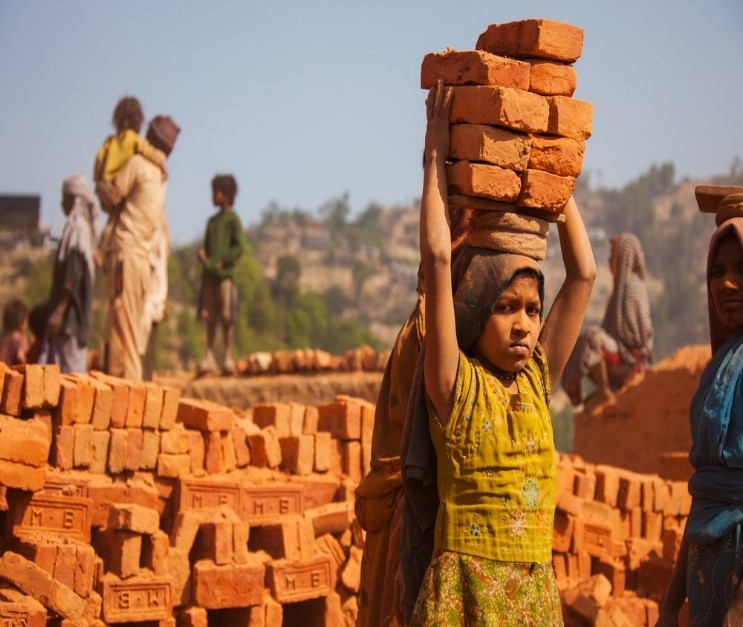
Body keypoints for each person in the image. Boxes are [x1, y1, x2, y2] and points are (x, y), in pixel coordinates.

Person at [400, 81, 595, 625]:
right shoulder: (455, 387)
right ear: (477, 310)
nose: (524, 325)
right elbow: (439, 259)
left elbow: (584, 273)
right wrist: (436, 154)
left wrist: (553, 178)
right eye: (507, 308)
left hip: (532, 603)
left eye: (533, 310)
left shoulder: (536, 380)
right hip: (462, 600)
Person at [657, 209, 743, 626]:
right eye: (718, 270)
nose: (727, 283)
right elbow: (704, 495)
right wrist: (671, 605)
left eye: (742, 269)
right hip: (709, 572)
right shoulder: (720, 367)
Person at [97, 115, 180, 382]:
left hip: (126, 254)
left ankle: (126, 396)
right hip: (140, 261)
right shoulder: (159, 175)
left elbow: (112, 198)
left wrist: (101, 180)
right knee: (126, 328)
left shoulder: (138, 165)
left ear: (149, 138)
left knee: (124, 331)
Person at [561, 232, 653, 409]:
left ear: (623, 257)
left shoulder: (633, 288)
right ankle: (602, 391)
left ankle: (605, 392)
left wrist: (615, 341)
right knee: (583, 344)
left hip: (633, 361)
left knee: (593, 339)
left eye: (613, 255)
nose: (610, 260)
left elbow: (639, 338)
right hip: (622, 354)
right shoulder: (620, 289)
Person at [93, 96, 168, 270]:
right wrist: (161, 164)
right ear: (138, 121)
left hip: (107, 182)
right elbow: (148, 151)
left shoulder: (108, 142)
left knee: (111, 222)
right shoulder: (134, 140)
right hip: (121, 185)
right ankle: (101, 253)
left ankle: (100, 251)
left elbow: (98, 160)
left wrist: (100, 181)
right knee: (117, 217)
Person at [38, 173, 98, 373]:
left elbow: (73, 277)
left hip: (70, 323)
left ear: (74, 199)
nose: (61, 203)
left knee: (71, 382)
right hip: (67, 324)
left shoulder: (77, 231)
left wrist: (58, 312)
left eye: (64, 198)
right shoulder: (79, 229)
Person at [196, 174, 245, 376]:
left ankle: (227, 356)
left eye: (215, 192)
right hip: (209, 277)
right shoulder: (212, 222)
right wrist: (205, 260)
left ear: (225, 195)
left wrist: (221, 261)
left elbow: (239, 247)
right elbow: (206, 248)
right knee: (210, 317)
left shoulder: (233, 220)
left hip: (225, 277)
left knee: (227, 317)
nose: (212, 196)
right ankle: (209, 355)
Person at [0, 299, 29, 365]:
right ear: (21, 320)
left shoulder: (2, 335)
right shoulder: (20, 339)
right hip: (11, 372)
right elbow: (20, 356)